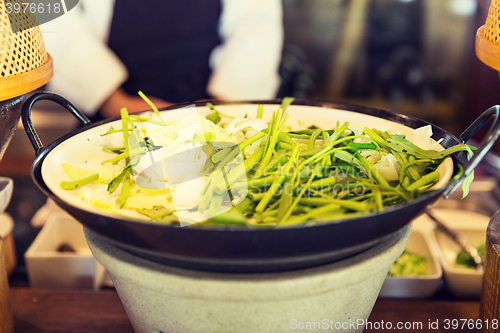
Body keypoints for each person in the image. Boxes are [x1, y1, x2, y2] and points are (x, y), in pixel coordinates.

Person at [40, 0, 283, 119]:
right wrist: (113, 102)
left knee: (214, 210)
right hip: (113, 118)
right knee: (120, 209)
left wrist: (223, 110)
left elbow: (257, 23)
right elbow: (38, 10)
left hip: (214, 119)